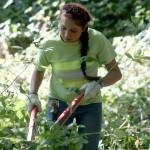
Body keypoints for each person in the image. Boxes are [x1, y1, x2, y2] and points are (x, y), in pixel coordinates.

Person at [27, 2, 122, 150]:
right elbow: (39, 70)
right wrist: (33, 94)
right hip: (58, 103)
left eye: (73, 31)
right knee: (56, 146)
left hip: (90, 103)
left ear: (84, 29)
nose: (66, 34)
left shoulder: (97, 39)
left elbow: (116, 73)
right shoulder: (49, 44)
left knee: (89, 147)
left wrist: (98, 84)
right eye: (63, 28)